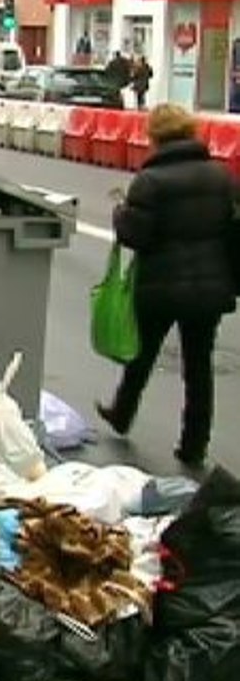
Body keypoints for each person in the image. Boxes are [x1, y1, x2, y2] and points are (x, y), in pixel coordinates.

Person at [96, 104, 236, 465]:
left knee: (141, 355)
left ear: (155, 137)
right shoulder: (221, 177)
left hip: (160, 287)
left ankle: (122, 413)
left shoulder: (150, 181)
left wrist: (119, 213)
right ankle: (194, 445)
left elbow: (135, 236)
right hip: (209, 287)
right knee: (199, 368)